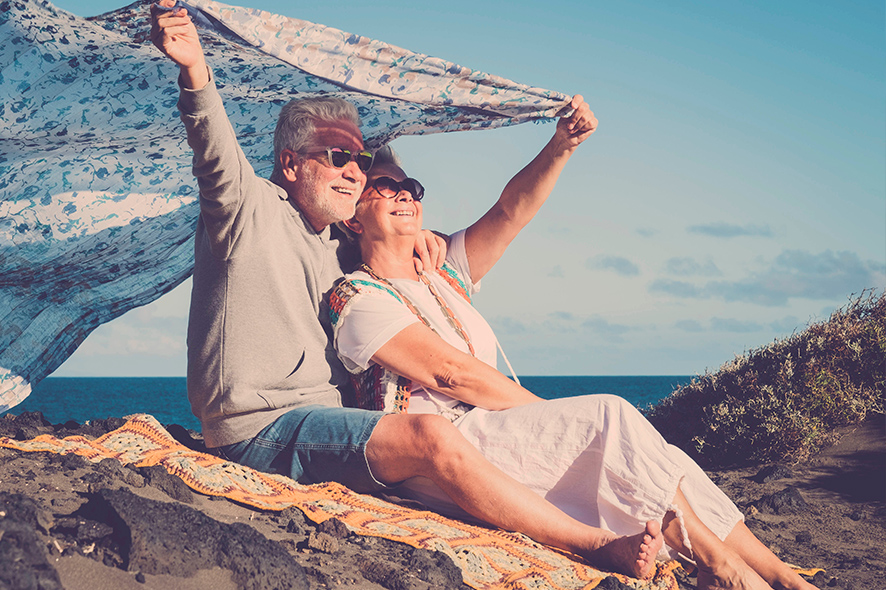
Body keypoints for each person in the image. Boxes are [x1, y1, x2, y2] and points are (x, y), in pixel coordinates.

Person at [150, 0, 671, 579]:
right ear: (290, 165)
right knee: (430, 434)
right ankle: (594, 546)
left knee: (453, 458)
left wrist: (424, 236)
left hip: (327, 426)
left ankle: (688, 541)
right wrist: (195, 71)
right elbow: (213, 152)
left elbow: (486, 221)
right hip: (259, 431)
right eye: (338, 157)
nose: (354, 171)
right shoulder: (246, 209)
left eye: (361, 161)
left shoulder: (338, 247)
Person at [329, 141, 820, 588]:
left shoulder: (444, 273)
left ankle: (782, 577)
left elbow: (510, 211)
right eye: (385, 186)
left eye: (411, 187)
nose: (405, 194)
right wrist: (558, 417)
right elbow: (451, 374)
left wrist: (562, 145)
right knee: (609, 417)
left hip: (495, 431)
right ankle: (719, 565)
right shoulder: (356, 295)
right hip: (447, 450)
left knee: (667, 457)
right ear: (353, 217)